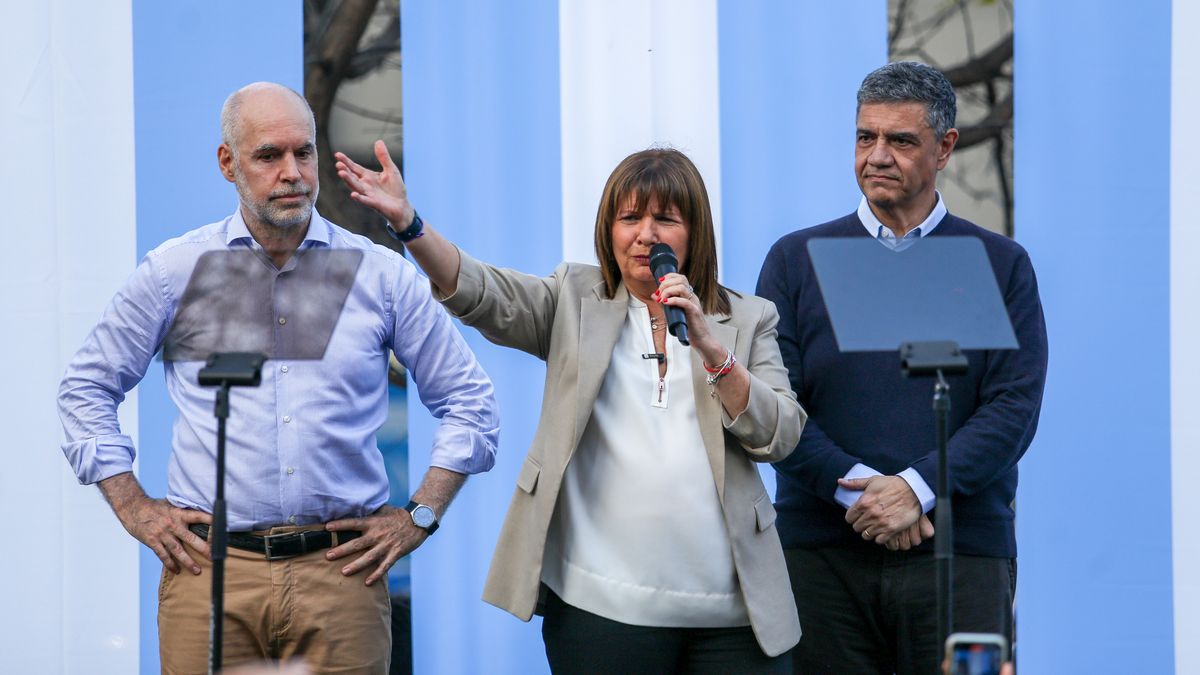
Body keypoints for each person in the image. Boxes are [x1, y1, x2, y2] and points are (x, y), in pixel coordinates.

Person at [57, 82, 499, 674]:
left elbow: (471, 400)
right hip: (210, 577)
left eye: (305, 153)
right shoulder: (175, 272)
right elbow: (85, 389)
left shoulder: (379, 276)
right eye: (269, 155)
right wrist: (133, 506)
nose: (292, 172)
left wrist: (420, 515)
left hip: (341, 578)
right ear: (228, 163)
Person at [336, 143, 806, 673]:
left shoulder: (748, 317)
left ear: (694, 232)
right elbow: (481, 290)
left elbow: (780, 435)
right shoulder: (574, 299)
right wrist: (409, 225)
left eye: (665, 220)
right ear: (608, 228)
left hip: (732, 618)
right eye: (629, 218)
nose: (645, 235)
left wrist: (711, 347)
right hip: (600, 611)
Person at [756, 61, 1048, 674]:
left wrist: (917, 489)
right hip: (823, 556)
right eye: (866, 138)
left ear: (945, 148)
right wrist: (861, 490)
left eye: (901, 140)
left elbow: (1013, 408)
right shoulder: (795, 260)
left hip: (960, 552)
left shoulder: (1000, 265)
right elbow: (774, 404)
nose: (878, 155)